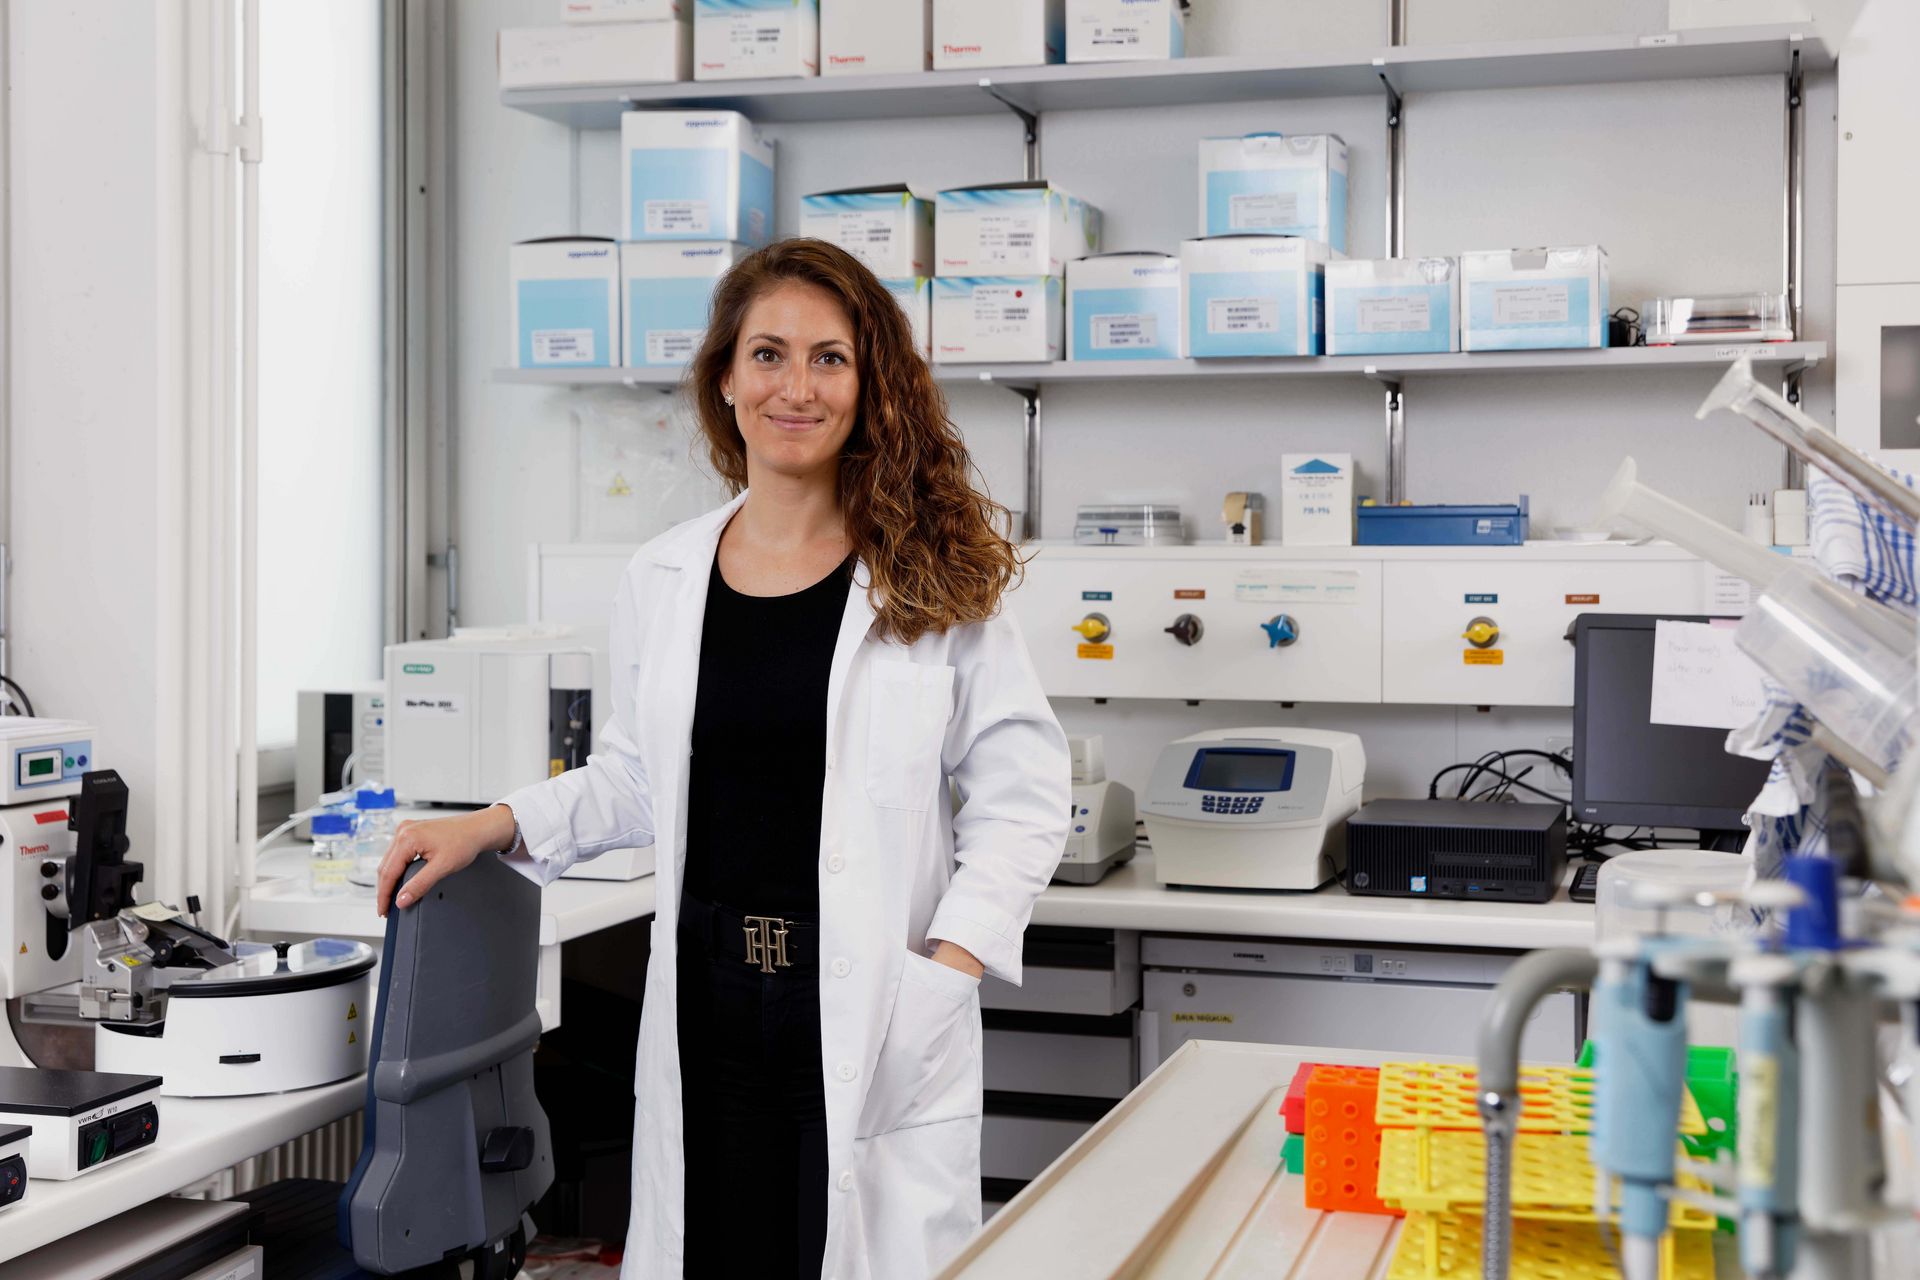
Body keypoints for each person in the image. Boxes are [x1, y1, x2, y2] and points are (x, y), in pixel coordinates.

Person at [375, 237, 1071, 1280]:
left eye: (830, 358)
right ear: (726, 378)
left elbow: (1024, 795)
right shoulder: (663, 573)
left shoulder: (925, 577)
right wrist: (491, 822)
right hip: (706, 999)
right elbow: (638, 777)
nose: (799, 386)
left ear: (869, 384)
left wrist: (951, 962)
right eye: (770, 354)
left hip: (869, 1002)